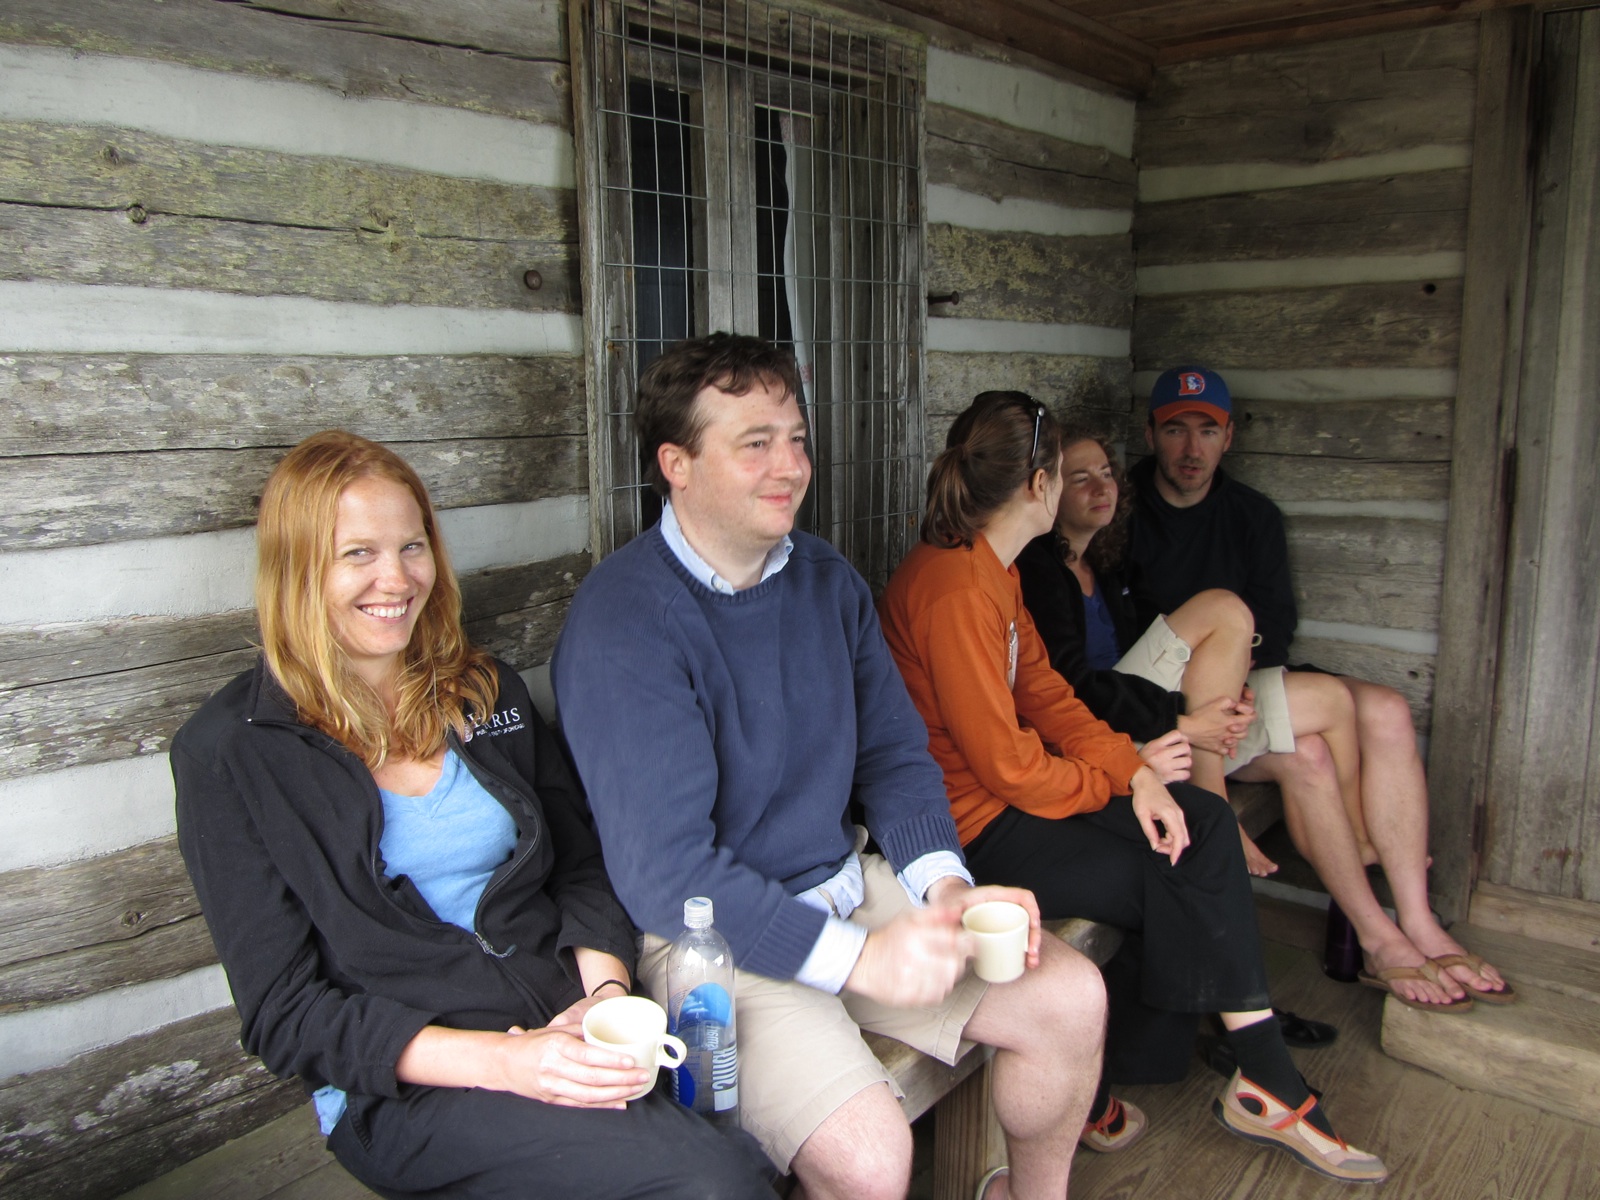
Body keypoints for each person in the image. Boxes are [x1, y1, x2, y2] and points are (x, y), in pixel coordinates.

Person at [553, 334, 1105, 1200]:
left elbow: (893, 754)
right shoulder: (624, 618)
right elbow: (667, 871)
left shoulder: (827, 580)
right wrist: (855, 961)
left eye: (797, 438)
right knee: (872, 1161)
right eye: (755, 443)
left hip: (843, 887)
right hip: (710, 940)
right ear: (677, 464)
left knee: (1070, 1001)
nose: (790, 466)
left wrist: (948, 890)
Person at [173, 431, 775, 1200]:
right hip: (411, 1088)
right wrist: (504, 1062)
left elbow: (581, 862)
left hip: (563, 1022)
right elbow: (285, 1012)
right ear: (297, 567)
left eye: (411, 546)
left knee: (743, 1165)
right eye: (357, 553)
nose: (395, 579)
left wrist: (604, 1001)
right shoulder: (231, 753)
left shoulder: (482, 690)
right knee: (711, 1183)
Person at [878, 392, 1388, 1185]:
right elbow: (1005, 766)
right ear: (1039, 484)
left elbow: (1048, 694)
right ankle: (1230, 1077)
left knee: (1201, 824)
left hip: (1020, 799)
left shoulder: (995, 570)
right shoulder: (951, 586)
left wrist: (1137, 773)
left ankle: (1244, 1069)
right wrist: (1113, 782)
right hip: (971, 829)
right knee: (1170, 863)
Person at [1126, 366, 1515, 1011]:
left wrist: (1243, 681)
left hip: (1235, 688)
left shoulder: (1251, 515)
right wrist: (1210, 680)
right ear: (1150, 434)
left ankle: (1412, 922)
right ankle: (1377, 931)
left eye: (1206, 431)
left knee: (1385, 712)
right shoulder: (1127, 511)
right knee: (1319, 735)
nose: (1190, 449)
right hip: (1168, 707)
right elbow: (1126, 637)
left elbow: (1275, 623)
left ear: (1229, 438)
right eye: (1175, 430)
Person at [1014, 427, 1340, 1051]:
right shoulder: (1038, 570)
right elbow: (1066, 689)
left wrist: (1212, 707)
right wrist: (1182, 723)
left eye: (1107, 472)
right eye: (1078, 477)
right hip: (1083, 744)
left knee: (1292, 744)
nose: (1100, 486)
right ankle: (1234, 1020)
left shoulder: (1104, 564)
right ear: (1046, 490)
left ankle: (1242, 1012)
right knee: (1197, 832)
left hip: (1126, 727)